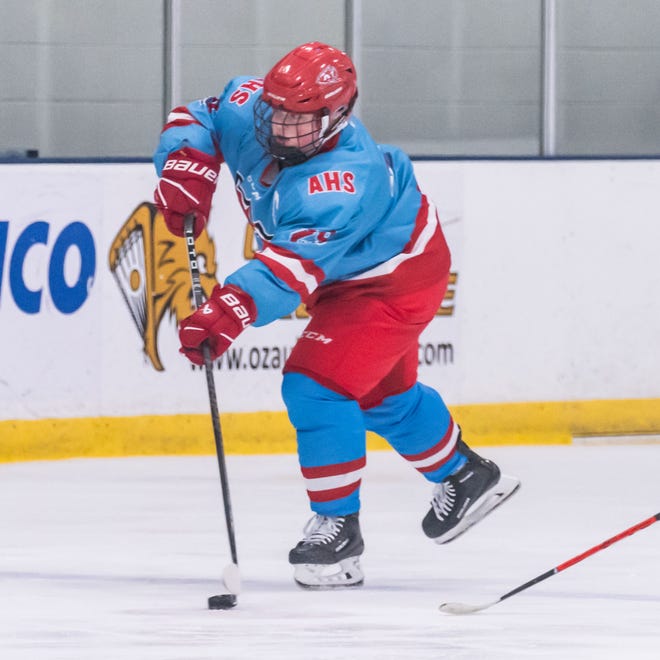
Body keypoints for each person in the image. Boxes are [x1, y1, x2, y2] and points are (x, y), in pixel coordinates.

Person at [153, 41, 520, 589]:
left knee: (316, 387)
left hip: (391, 279)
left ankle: (338, 528)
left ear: (337, 117)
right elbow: (198, 114)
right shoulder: (252, 108)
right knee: (378, 396)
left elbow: (287, 270)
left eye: (299, 120)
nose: (280, 128)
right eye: (274, 111)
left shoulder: (343, 181)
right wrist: (187, 160)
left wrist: (227, 310)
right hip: (348, 273)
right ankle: (466, 476)